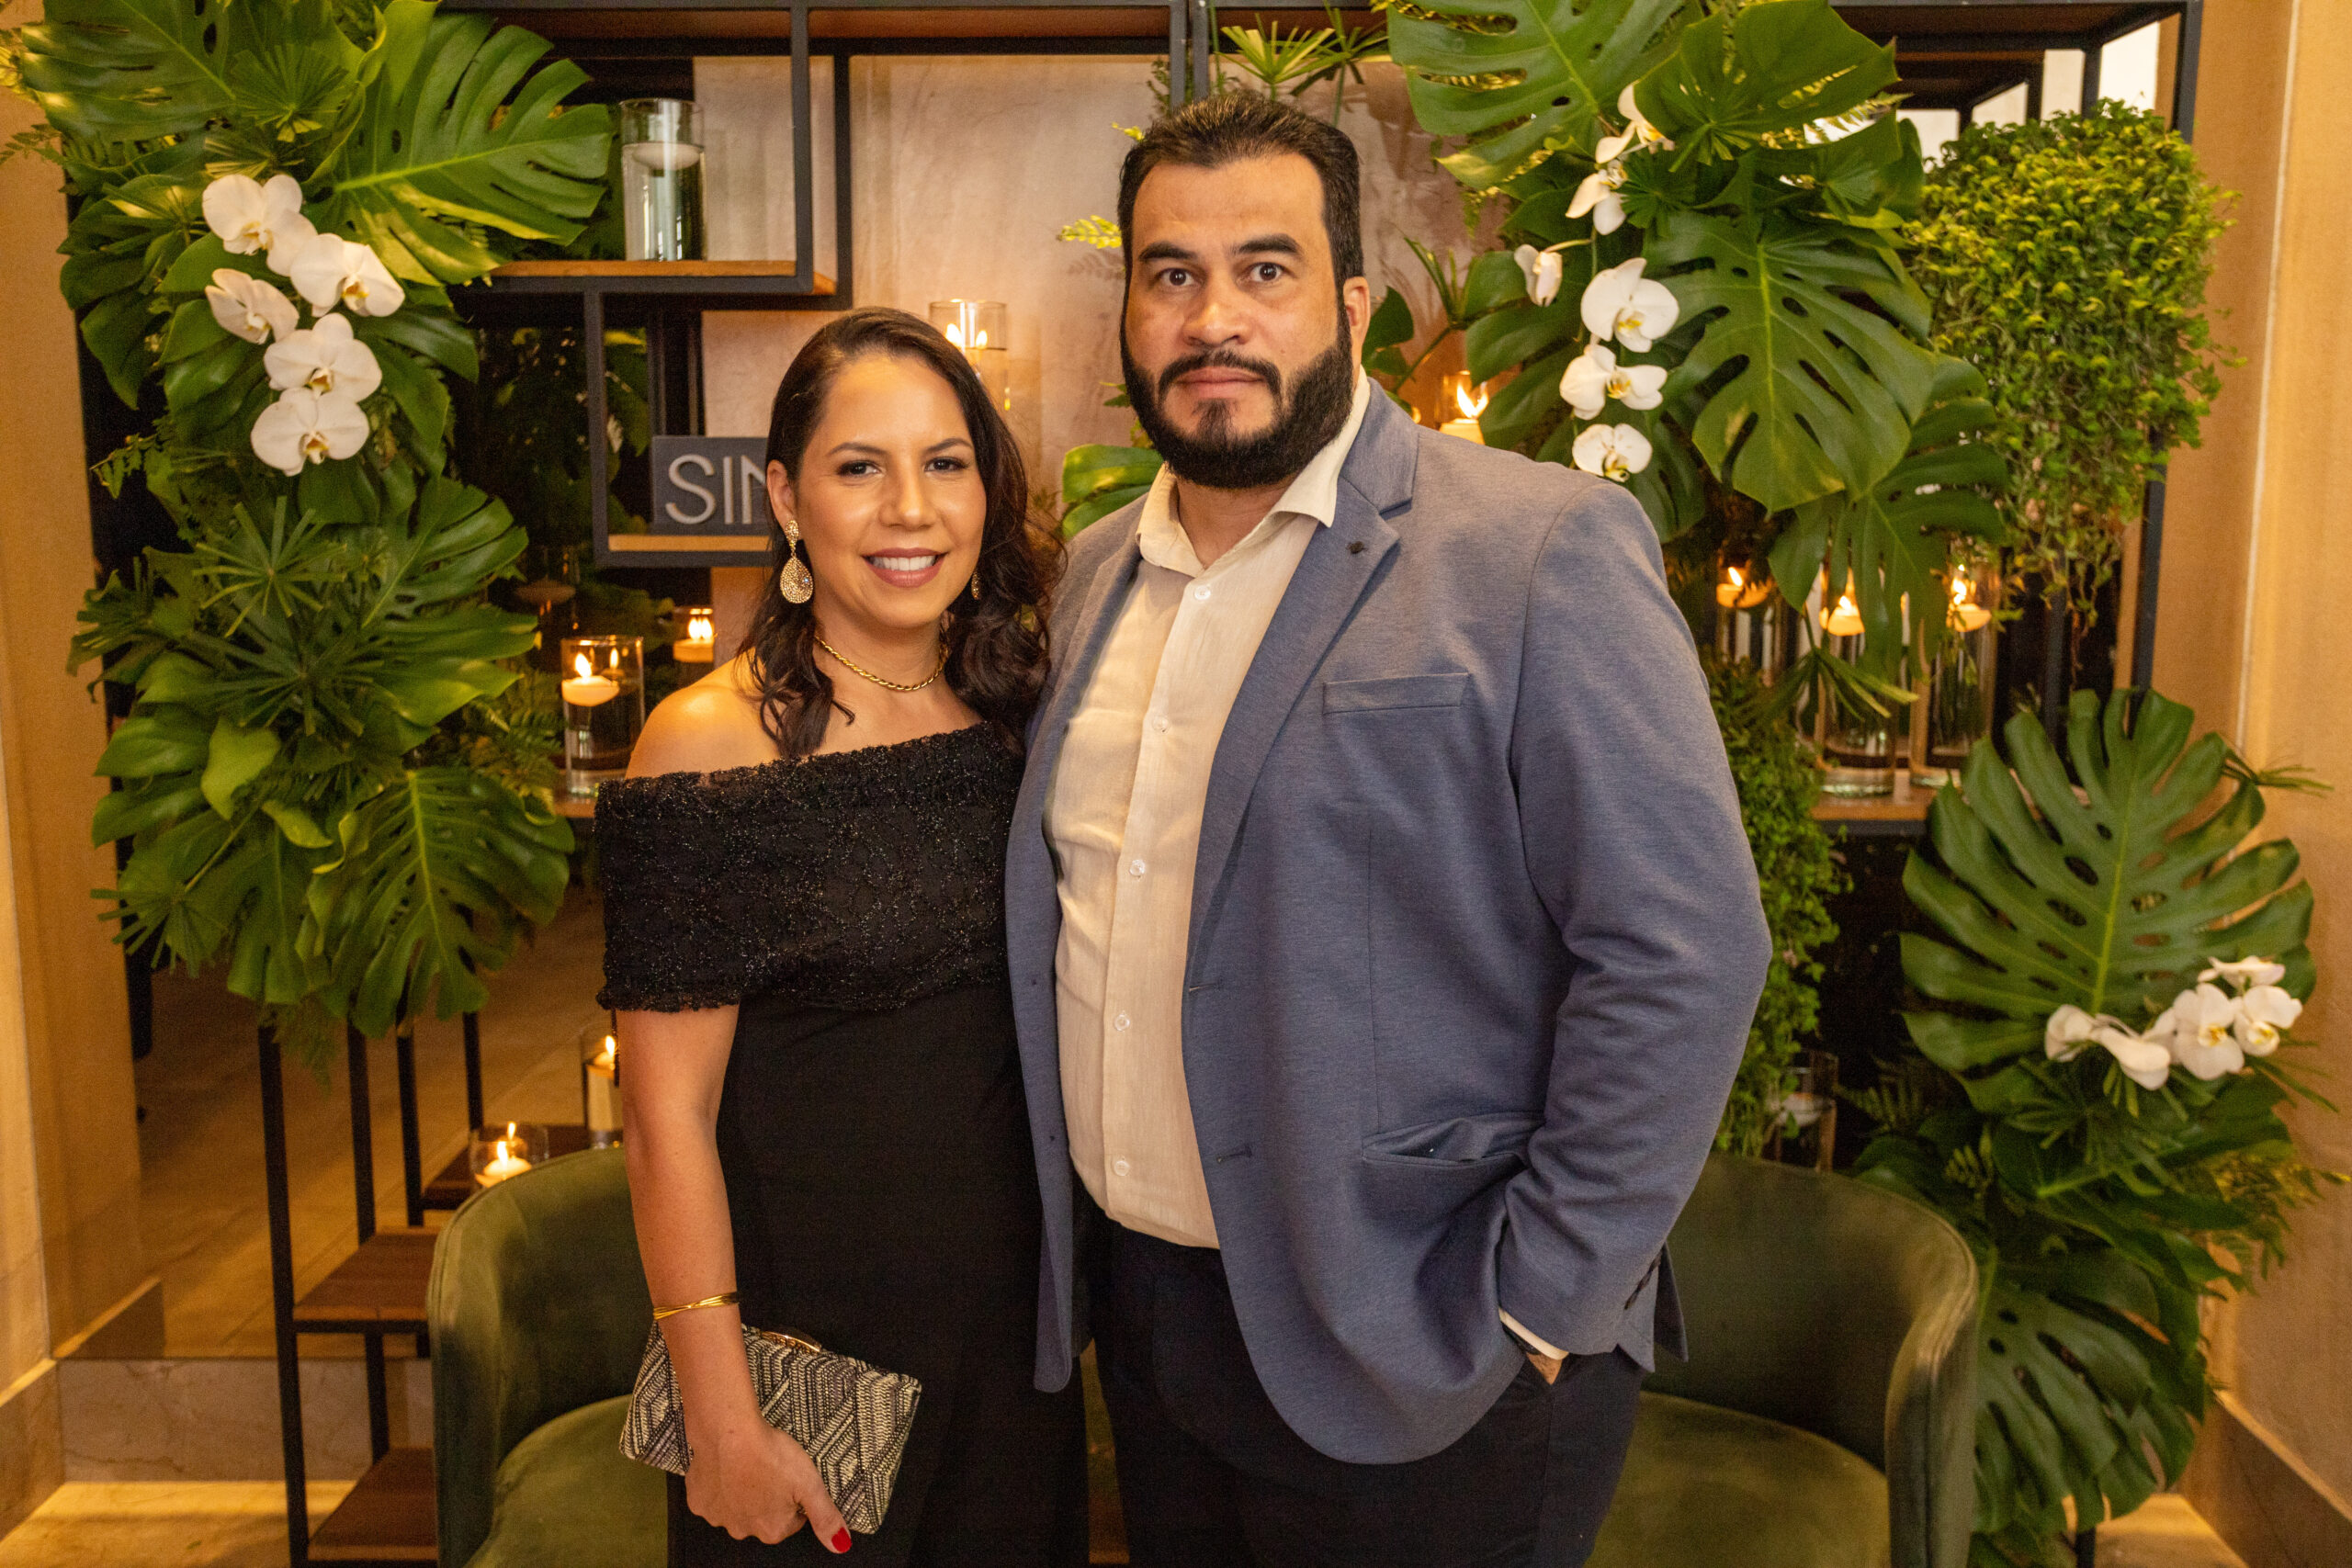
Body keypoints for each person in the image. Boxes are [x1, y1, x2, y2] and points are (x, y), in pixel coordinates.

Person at [1003, 95, 1772, 1568]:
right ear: (1130, 311)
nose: (1213, 318)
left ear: (1352, 304)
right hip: (1155, 1330)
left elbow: (1685, 951)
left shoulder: (1537, 551)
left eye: (1266, 268)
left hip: (1432, 1346)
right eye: (1171, 275)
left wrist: (1538, 1302)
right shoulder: (1092, 578)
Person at [602, 307, 1087, 1567]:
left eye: (946, 463)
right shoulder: (706, 745)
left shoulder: (1018, 712)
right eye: (859, 467)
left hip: (1011, 1357)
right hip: (808, 1379)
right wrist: (722, 1418)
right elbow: (662, 1119)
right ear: (786, 498)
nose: (909, 509)